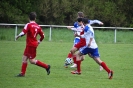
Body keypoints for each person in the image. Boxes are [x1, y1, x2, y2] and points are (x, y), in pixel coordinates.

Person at [15, 12, 51, 77]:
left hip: (30, 45)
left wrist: (18, 36)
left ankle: (46, 66)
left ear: (29, 18)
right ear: (35, 18)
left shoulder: (28, 25)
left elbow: (23, 32)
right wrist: (38, 42)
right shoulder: (38, 26)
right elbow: (43, 36)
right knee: (25, 58)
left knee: (30, 60)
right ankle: (22, 73)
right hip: (33, 44)